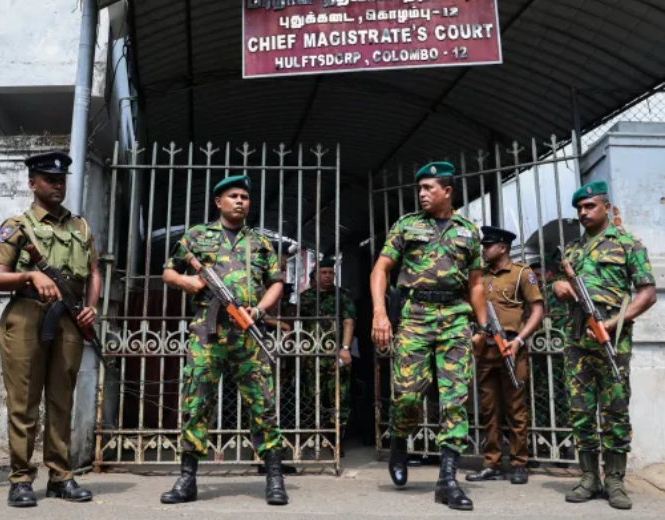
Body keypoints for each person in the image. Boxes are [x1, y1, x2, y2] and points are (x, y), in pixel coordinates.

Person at [160, 174, 288, 506]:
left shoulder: (260, 242)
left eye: (245, 196)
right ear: (219, 202)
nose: (240, 201)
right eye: (233, 196)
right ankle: (187, 478)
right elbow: (168, 271)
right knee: (196, 402)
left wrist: (259, 311)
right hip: (207, 334)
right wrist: (187, 282)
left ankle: (274, 477)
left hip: (247, 334)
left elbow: (276, 282)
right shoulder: (196, 236)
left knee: (263, 404)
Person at [370, 161, 487, 511]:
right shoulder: (407, 226)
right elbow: (381, 269)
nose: (422, 193)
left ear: (447, 192)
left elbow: (477, 284)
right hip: (414, 317)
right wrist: (379, 313)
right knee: (407, 396)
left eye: (429, 188)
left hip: (454, 318)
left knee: (454, 398)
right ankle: (399, 445)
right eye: (419, 188)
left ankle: (447, 480)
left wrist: (482, 327)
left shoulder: (469, 231)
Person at [0, 151, 100, 507]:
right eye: (49, 179)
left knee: (61, 401)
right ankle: (21, 479)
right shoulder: (16, 225)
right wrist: (29, 274)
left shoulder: (80, 226)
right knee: (23, 401)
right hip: (26, 315)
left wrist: (91, 309)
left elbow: (94, 272)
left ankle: (61, 476)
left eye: (61, 179)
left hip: (68, 318)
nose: (57, 184)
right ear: (32, 183)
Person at [552, 181, 656, 510]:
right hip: (576, 343)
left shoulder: (628, 244)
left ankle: (614, 481)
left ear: (606, 207)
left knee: (614, 411)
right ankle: (588, 478)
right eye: (579, 208)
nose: (583, 212)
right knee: (581, 411)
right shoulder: (571, 251)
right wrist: (558, 286)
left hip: (613, 341)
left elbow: (647, 293)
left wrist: (615, 323)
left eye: (589, 206)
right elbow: (556, 290)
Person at [466, 226, 544, 485]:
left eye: (489, 245)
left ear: (503, 247)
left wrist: (520, 340)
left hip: (512, 349)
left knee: (515, 409)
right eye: (484, 245)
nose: (484, 250)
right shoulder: (479, 277)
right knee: (488, 410)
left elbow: (537, 311)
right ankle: (492, 463)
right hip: (486, 350)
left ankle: (519, 463)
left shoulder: (522, 273)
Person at [299, 259, 356, 455]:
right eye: (323, 272)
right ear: (315, 275)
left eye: (331, 272)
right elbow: (298, 324)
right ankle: (312, 436)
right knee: (311, 396)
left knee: (339, 397)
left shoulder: (343, 296)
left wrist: (345, 348)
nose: (327, 276)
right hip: (311, 355)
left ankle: (336, 440)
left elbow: (349, 322)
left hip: (335, 355)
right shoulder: (306, 298)